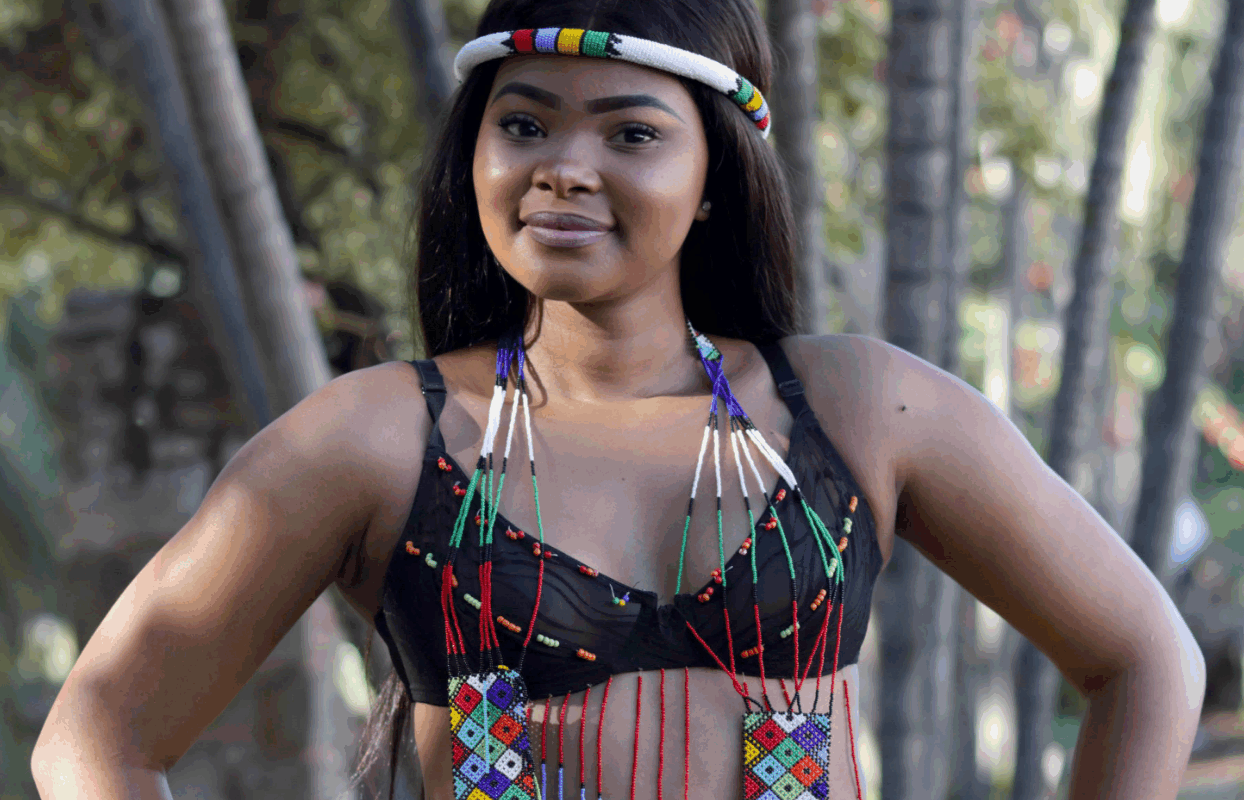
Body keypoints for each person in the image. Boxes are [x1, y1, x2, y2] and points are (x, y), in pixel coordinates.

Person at [32, 0, 1205, 798]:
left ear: (710, 182)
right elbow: (95, 733)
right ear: (474, 154)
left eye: (630, 131)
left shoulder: (858, 411)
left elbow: (1144, 657)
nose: (563, 166)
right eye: (524, 121)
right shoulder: (377, 440)